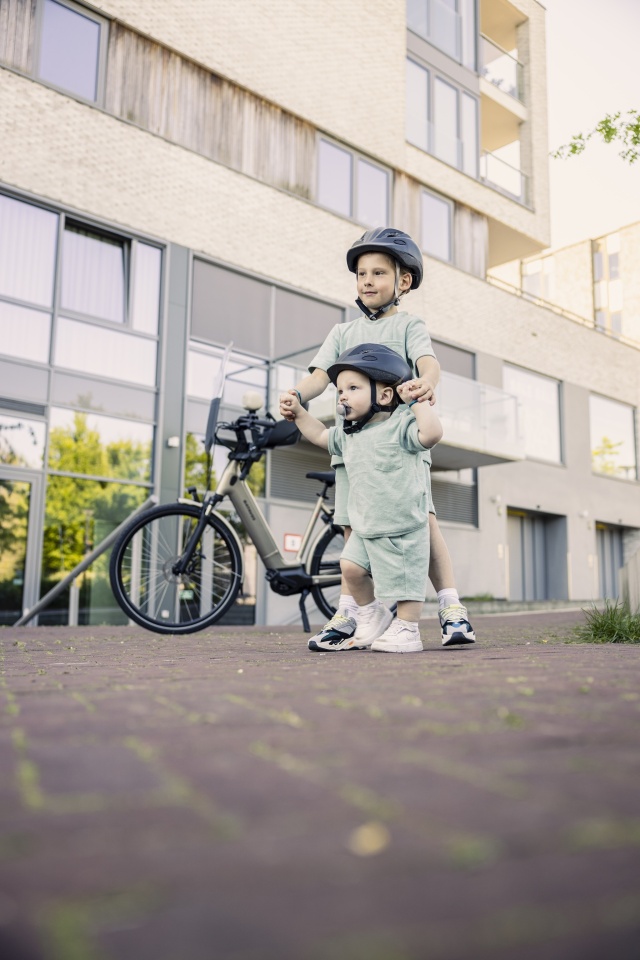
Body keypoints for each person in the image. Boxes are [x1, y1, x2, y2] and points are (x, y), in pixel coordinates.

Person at [279, 227, 476, 651]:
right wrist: (297, 395)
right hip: (353, 444)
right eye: (361, 273)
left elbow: (428, 364)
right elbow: (318, 377)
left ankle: (450, 606)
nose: (367, 280)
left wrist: (424, 385)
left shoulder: (409, 325)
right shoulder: (342, 333)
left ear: (402, 282)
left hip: (399, 444)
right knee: (354, 524)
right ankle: (355, 614)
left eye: (379, 273)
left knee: (421, 520)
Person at [281, 344, 442, 652]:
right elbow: (319, 435)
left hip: (402, 525)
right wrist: (300, 412)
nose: (342, 395)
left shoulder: (401, 426)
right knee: (350, 569)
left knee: (406, 585)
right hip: (365, 525)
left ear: (384, 395)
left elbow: (432, 434)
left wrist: (418, 402)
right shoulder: (350, 434)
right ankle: (372, 613)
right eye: (340, 389)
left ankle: (408, 629)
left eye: (353, 387)